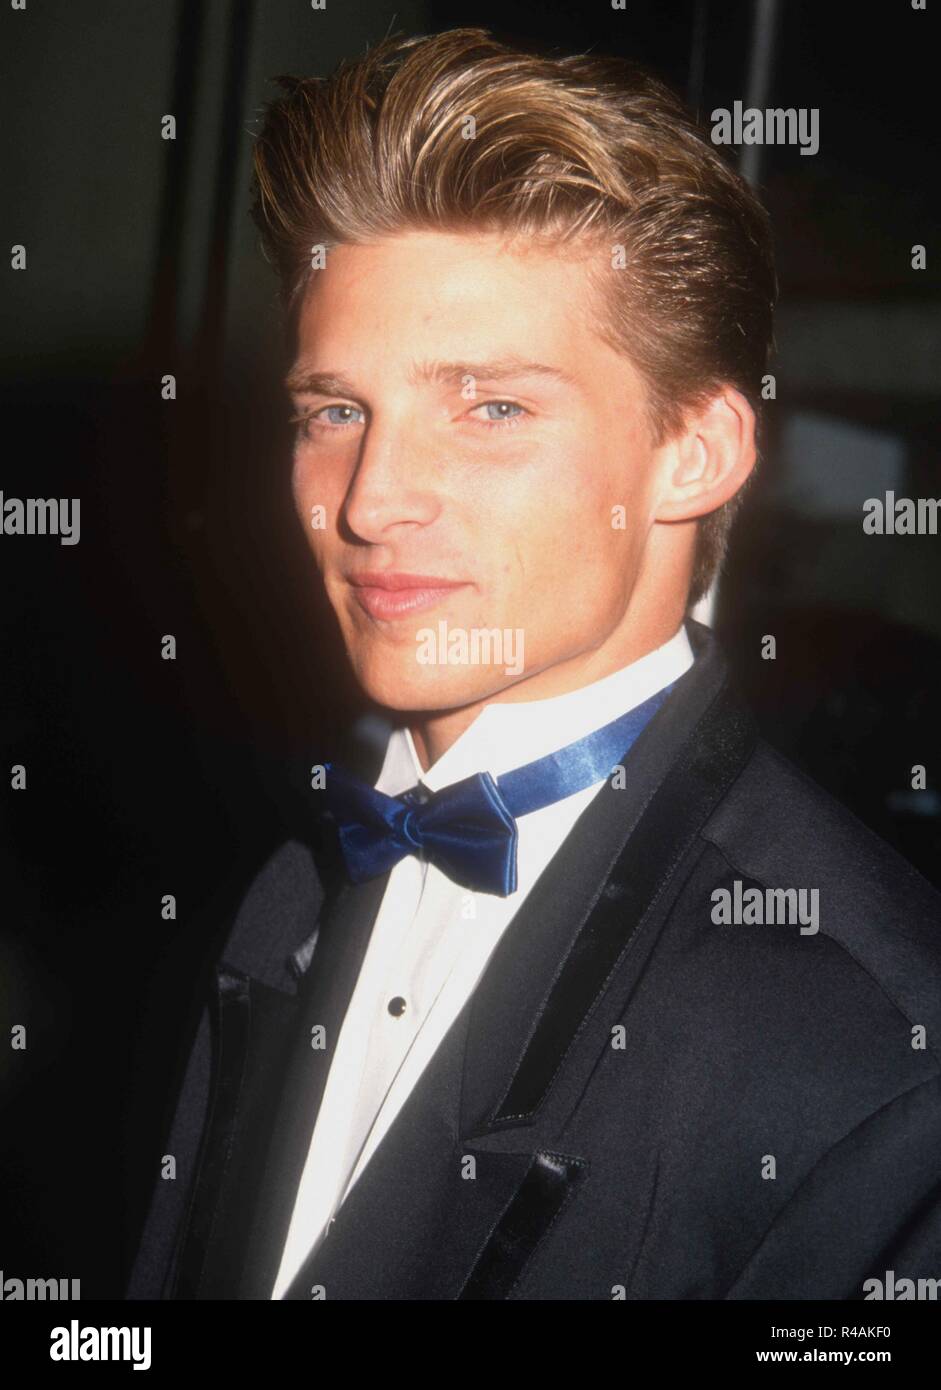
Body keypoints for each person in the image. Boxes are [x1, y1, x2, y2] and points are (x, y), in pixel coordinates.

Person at [126, 27, 941, 1301]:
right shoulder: (285, 898)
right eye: (333, 411)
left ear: (694, 453)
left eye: (491, 407)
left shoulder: (875, 1045)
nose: (372, 499)